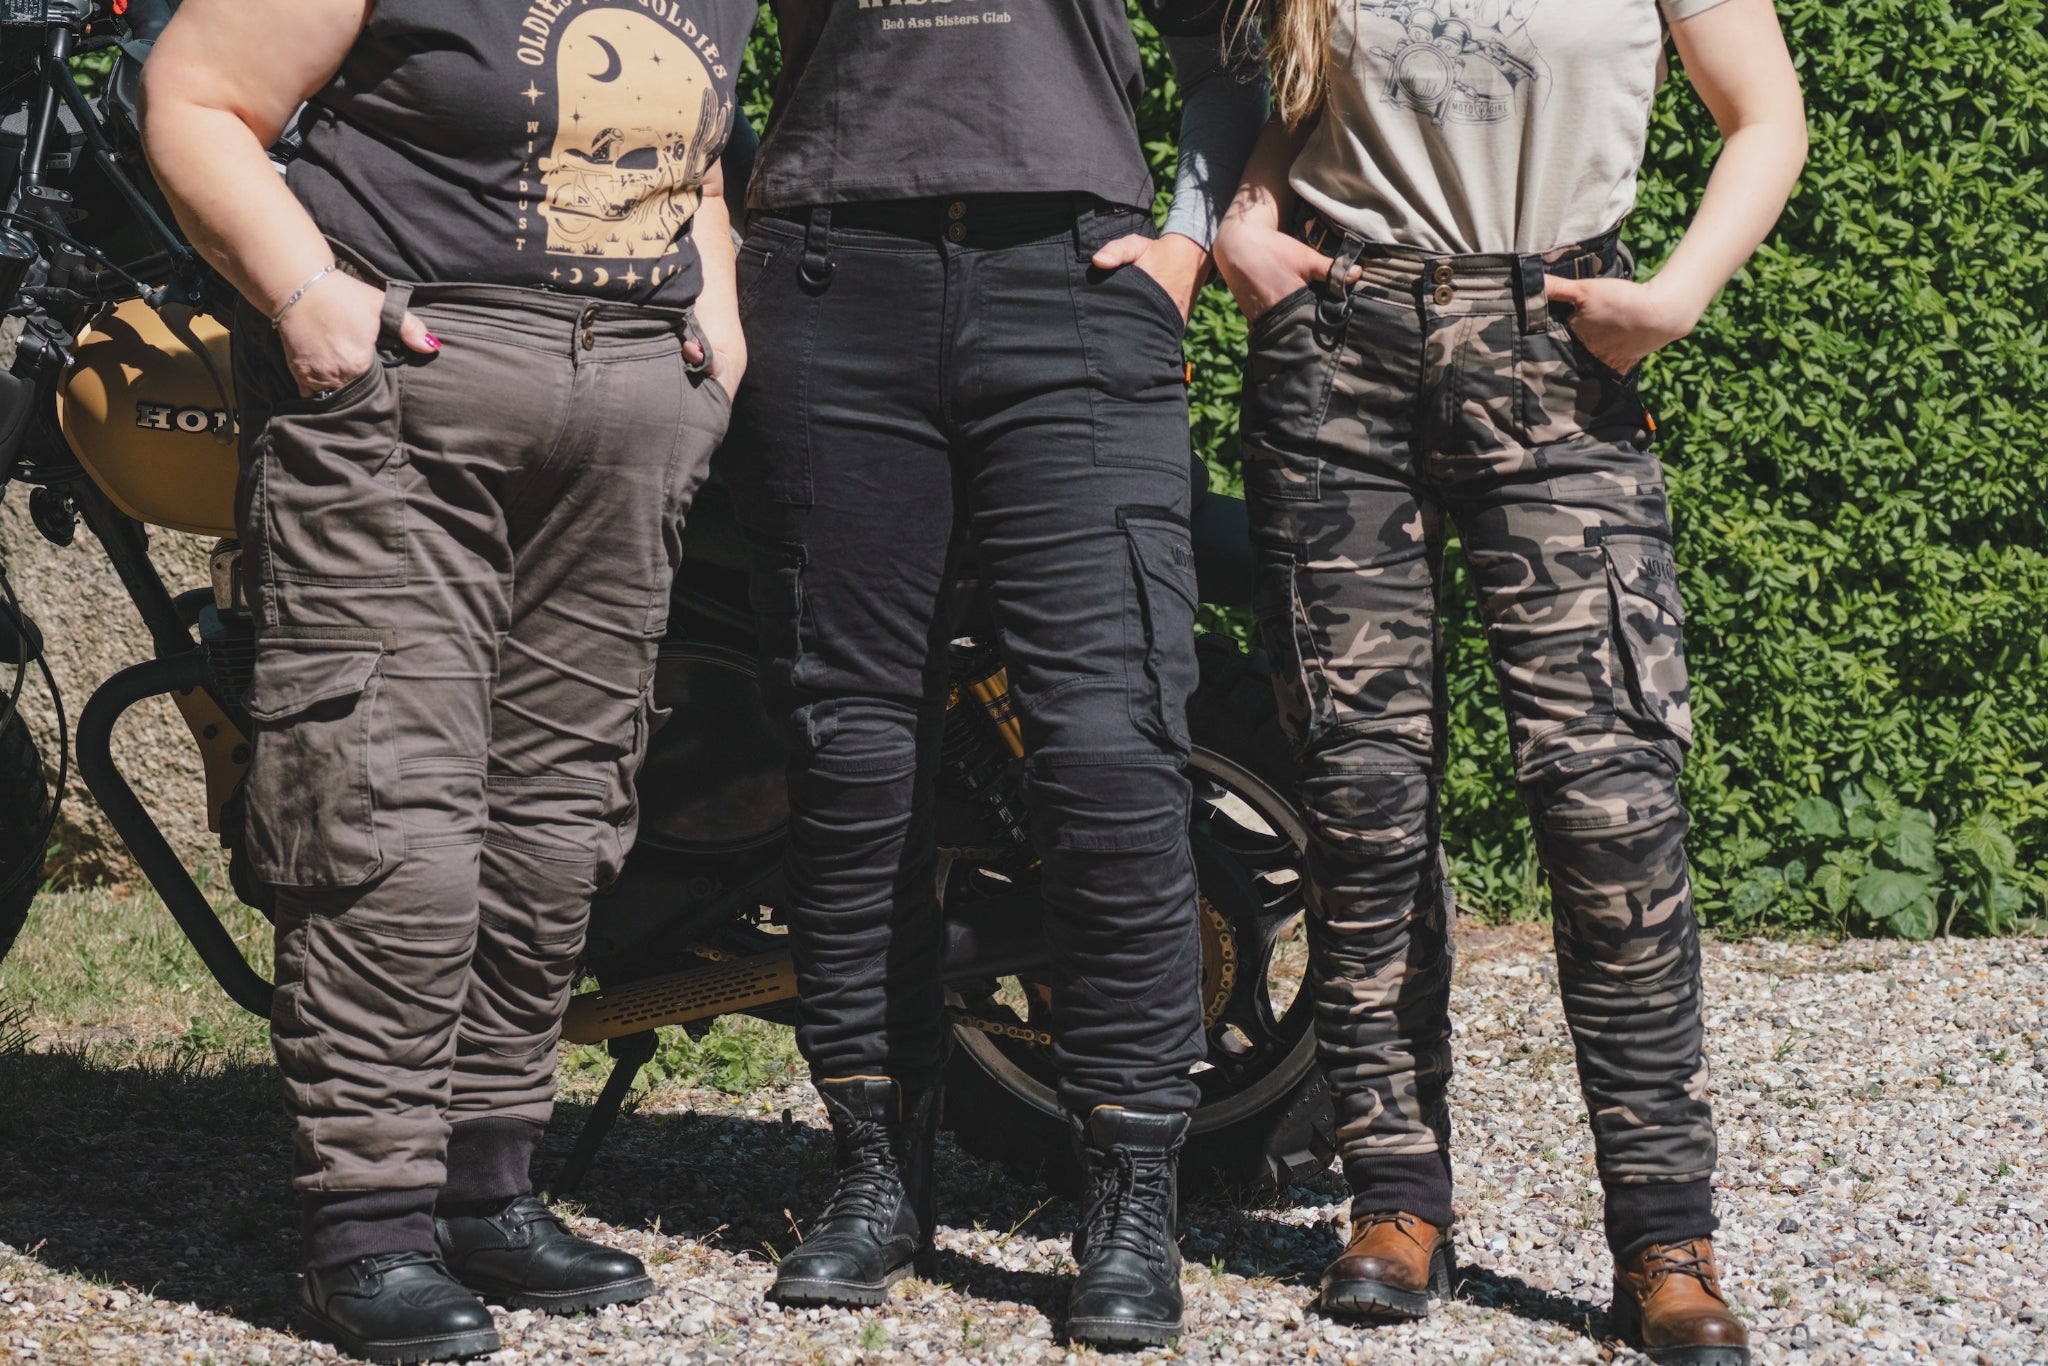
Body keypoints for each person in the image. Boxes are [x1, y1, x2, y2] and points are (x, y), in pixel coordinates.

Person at [141, 0, 751, 1359]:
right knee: (390, 814)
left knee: (555, 826)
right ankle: (370, 1221)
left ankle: (484, 1189)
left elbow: (695, 163)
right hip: (408, 403)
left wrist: (716, 320)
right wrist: (310, 296)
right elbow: (195, 99)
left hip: (627, 425)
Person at [1212, 0, 1804, 1360]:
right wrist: (1250, 216)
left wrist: (1680, 293)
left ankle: (1667, 1233)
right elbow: (1286, 96)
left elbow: (1766, 117)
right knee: (1358, 802)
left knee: (1612, 806)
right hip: (1339, 363)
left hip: (1561, 353)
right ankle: (1395, 1200)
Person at [726, 0, 1266, 1347]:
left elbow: (1231, 61)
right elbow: (662, 47)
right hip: (827, 288)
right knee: (849, 751)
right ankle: (872, 1166)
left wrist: (1187, 246)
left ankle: (1130, 1187)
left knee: (1107, 744)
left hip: (1074, 294)